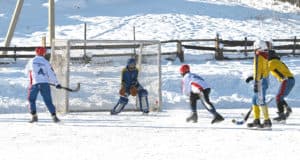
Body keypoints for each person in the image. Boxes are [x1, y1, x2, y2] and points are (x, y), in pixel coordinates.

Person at [25, 47, 62, 123]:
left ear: (36, 52)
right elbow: (51, 73)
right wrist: (56, 83)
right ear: (44, 53)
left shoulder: (31, 61)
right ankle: (54, 117)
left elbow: (26, 72)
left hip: (34, 84)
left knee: (31, 99)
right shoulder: (46, 62)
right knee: (48, 101)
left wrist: (32, 79)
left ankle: (34, 116)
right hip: (45, 84)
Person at [245, 40, 272, 128]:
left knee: (260, 100)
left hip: (260, 81)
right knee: (254, 100)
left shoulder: (259, 56)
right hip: (264, 80)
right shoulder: (265, 56)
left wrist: (256, 82)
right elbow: (261, 69)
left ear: (258, 47)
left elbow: (257, 70)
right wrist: (252, 77)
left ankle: (267, 121)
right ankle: (256, 120)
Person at [268, 50, 295, 122]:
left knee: (278, 97)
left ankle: (282, 116)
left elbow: (264, 71)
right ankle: (287, 109)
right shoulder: (279, 62)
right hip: (291, 80)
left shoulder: (271, 62)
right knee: (280, 97)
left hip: (286, 80)